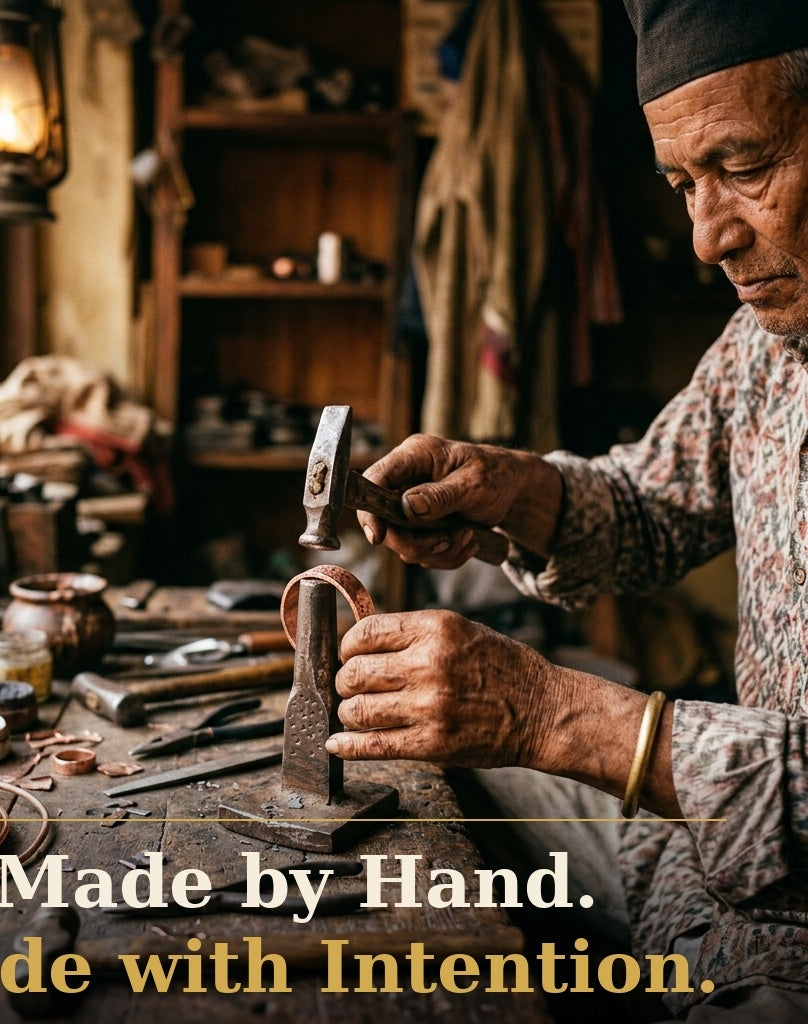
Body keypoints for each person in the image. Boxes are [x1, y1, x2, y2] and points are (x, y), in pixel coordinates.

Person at [323, 2, 808, 1020]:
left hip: (788, 959)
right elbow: (649, 504)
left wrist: (555, 716)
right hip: (700, 870)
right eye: (684, 185)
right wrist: (512, 489)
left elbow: (573, 724)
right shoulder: (768, 343)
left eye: (743, 165)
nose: (707, 237)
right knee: (419, 783)